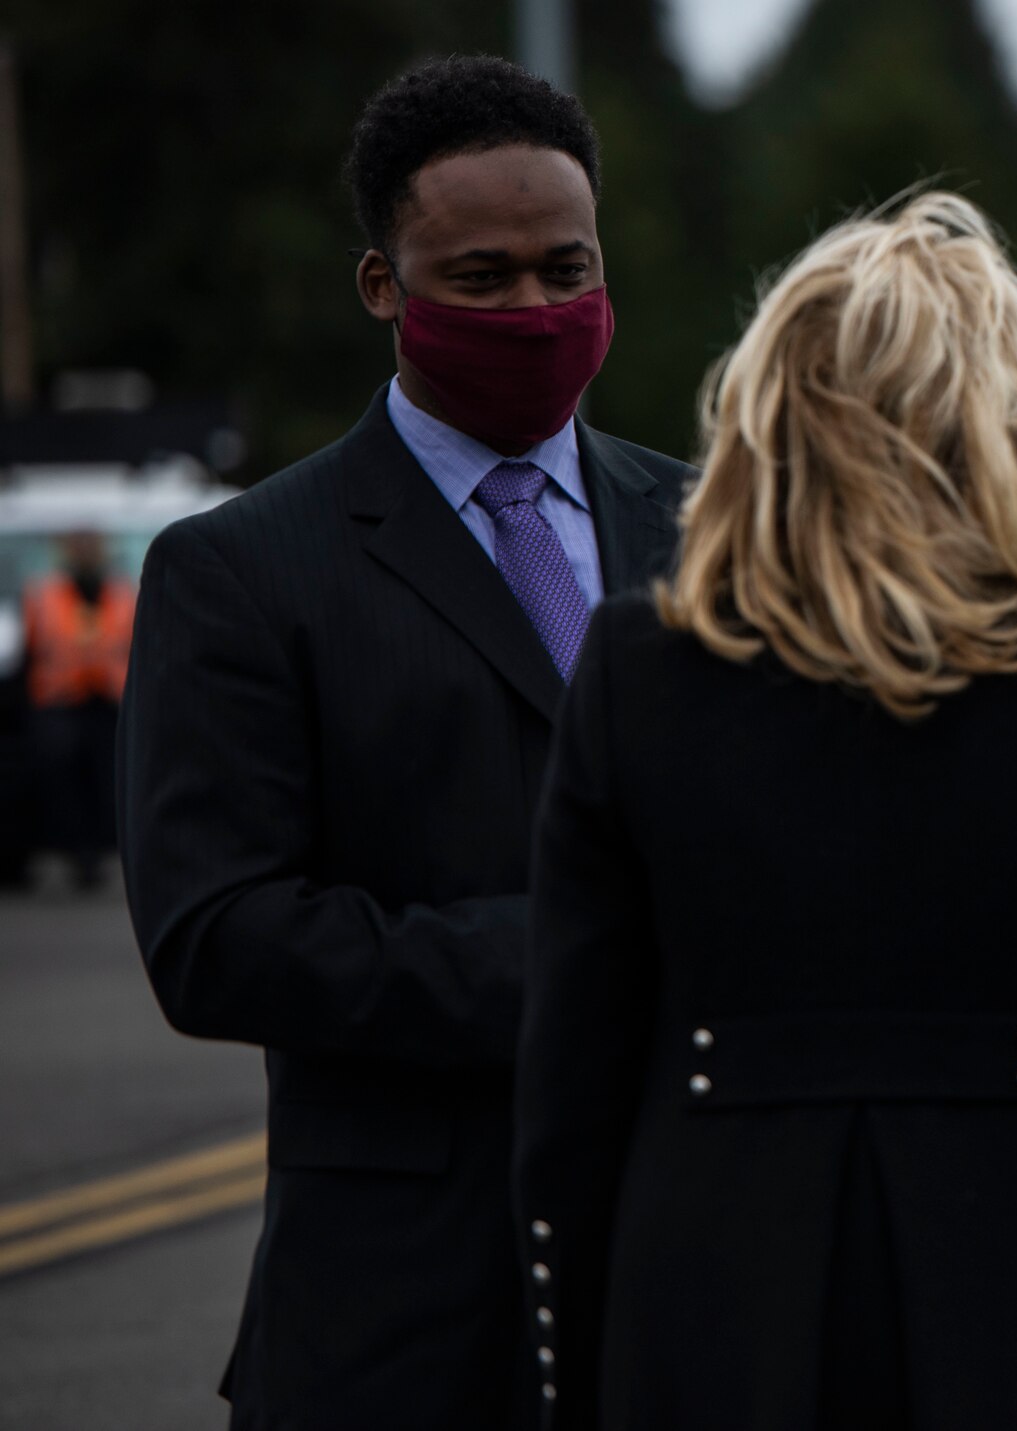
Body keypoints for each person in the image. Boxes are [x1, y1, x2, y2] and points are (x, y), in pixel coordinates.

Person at [512, 191, 1017, 1431]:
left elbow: (568, 1102)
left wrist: (581, 1376)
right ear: (999, 416)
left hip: (709, 1320)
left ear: (768, 412)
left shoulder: (634, 668)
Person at [117, 56, 689, 1430]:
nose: (537, 309)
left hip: (687, 1279)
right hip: (400, 1316)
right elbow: (216, 934)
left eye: (567, 267)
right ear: (385, 286)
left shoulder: (716, 522)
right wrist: (571, 956)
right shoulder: (241, 567)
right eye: (481, 277)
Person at [23, 529, 133, 887]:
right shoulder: (43, 593)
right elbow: (31, 650)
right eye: (78, 543)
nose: (86, 550)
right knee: (64, 782)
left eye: (92, 543)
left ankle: (99, 853)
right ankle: (77, 854)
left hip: (110, 702)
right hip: (61, 703)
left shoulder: (124, 593)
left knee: (108, 782)